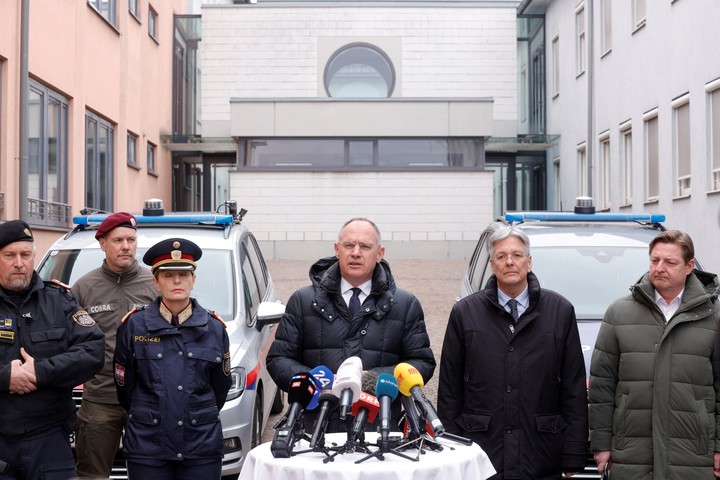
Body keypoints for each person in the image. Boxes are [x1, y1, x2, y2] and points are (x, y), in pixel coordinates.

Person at [437, 225, 588, 479]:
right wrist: (450, 448)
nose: (510, 262)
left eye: (517, 255)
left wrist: (573, 454)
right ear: (492, 265)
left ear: (529, 262)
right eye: (501, 256)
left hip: (540, 454)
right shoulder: (465, 313)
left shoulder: (559, 311)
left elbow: (572, 389)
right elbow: (450, 390)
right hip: (482, 452)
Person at [266, 217, 436, 433]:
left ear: (380, 253)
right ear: (337, 250)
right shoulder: (303, 301)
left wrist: (372, 380)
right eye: (349, 245)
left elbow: (421, 362)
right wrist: (319, 382)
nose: (356, 252)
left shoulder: (404, 304)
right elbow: (278, 359)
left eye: (365, 246)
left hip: (380, 429)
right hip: (313, 428)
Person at [589, 230, 720, 480]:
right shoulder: (619, 313)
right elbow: (602, 387)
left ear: (689, 266)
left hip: (693, 454)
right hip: (632, 453)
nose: (660, 268)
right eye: (654, 260)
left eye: (670, 262)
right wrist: (602, 445)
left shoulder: (713, 316)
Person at [113, 237, 232, 480]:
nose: (176, 281)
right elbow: (125, 387)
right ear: (156, 281)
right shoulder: (135, 326)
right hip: (148, 446)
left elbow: (220, 387)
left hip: (200, 443)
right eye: (168, 275)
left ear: (193, 279)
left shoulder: (214, 328)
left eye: (183, 274)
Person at [0, 220, 105, 479]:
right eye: (9, 255)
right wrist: (5, 377)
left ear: (34, 256)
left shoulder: (60, 300)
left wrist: (40, 371)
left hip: (49, 439)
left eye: (25, 255)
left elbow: (93, 350)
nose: (19, 263)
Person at [72, 212, 156, 478]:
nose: (126, 246)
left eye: (131, 239)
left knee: (150, 472)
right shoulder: (84, 288)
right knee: (92, 474)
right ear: (102, 243)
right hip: (99, 400)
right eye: (118, 240)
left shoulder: (155, 284)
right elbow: (70, 341)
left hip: (146, 399)